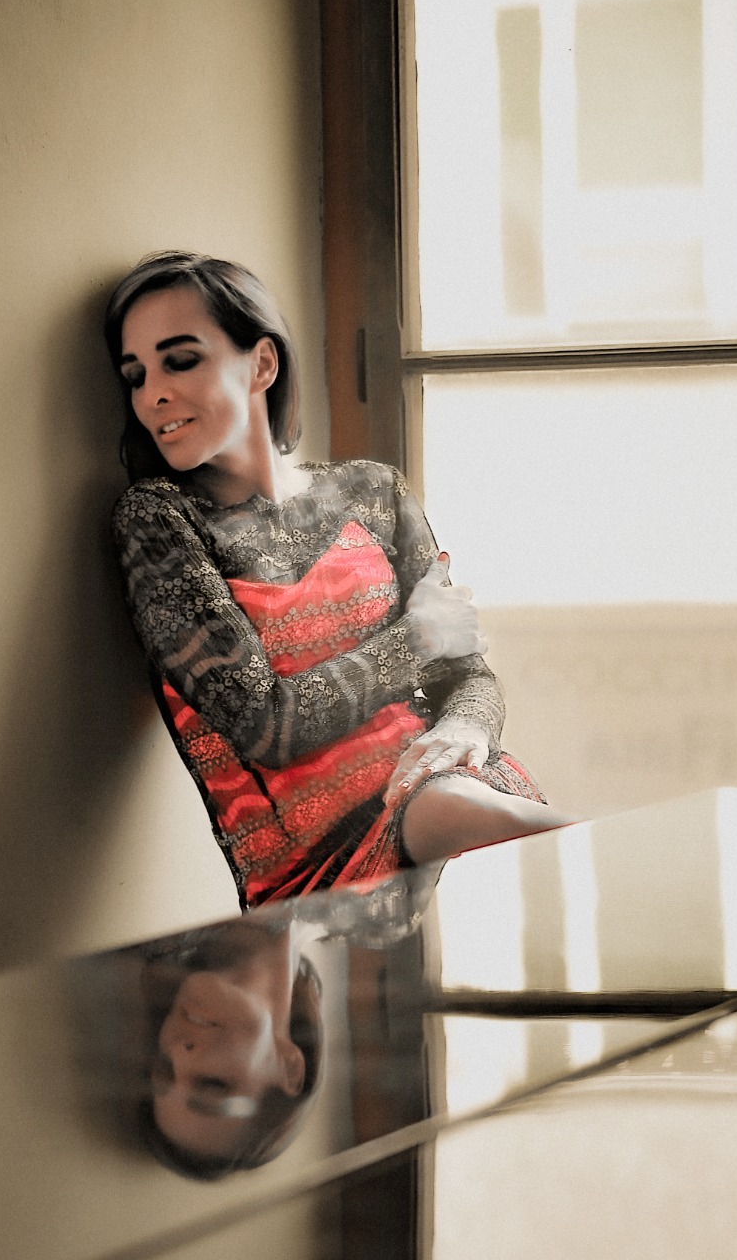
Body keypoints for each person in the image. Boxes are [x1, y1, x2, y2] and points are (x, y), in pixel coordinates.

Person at [107, 251, 569, 912]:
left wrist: (467, 730)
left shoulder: (373, 490)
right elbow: (267, 727)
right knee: (534, 833)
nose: (152, 394)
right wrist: (418, 637)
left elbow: (467, 672)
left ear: (262, 364)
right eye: (135, 375)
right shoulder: (157, 518)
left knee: (499, 827)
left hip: (458, 791)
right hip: (317, 873)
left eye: (180, 360)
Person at [137, 917, 322, 1179]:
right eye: (213, 1084)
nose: (179, 1052)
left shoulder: (153, 920)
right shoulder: (362, 911)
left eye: (166, 1070)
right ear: (289, 1067)